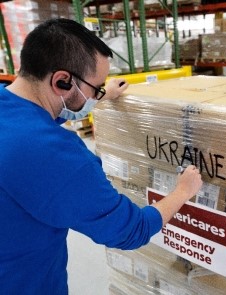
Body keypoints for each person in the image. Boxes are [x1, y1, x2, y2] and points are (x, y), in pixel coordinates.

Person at [0, 18, 202, 294]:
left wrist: (100, 97)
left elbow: (35, 121)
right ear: (62, 81)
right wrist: (182, 191)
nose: (97, 96)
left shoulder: (8, 106)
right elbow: (132, 230)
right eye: (96, 88)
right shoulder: (58, 157)